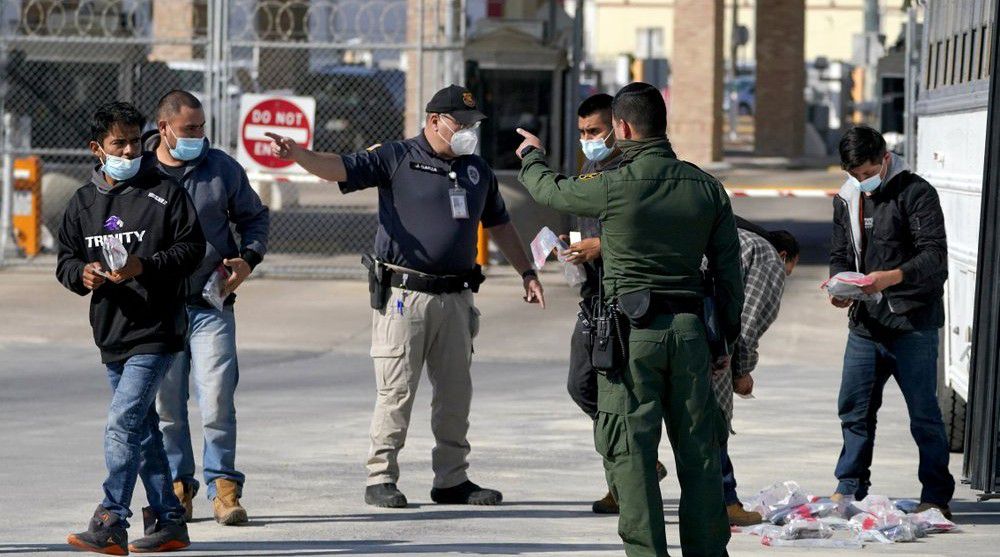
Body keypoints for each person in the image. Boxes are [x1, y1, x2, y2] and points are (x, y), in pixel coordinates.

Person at [266, 84, 545, 508]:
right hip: (404, 296)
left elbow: (501, 224)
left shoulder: (476, 171)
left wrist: (527, 271)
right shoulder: (395, 157)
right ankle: (381, 476)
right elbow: (339, 167)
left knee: (455, 393)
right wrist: (299, 154)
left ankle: (452, 479)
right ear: (434, 121)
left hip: (457, 297)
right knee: (396, 391)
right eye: (461, 122)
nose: (469, 130)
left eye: (474, 123)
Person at [516, 82, 743, 557]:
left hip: (630, 336)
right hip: (690, 332)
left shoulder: (613, 185)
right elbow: (728, 278)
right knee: (700, 454)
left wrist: (533, 155)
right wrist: (726, 344)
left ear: (621, 127)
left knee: (631, 455)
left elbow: (548, 189)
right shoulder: (707, 187)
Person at [56, 101, 205, 554]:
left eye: (135, 141)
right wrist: (81, 275)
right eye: (118, 143)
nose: (129, 150)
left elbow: (192, 249)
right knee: (141, 431)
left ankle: (111, 519)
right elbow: (65, 260)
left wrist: (145, 265)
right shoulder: (82, 203)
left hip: (156, 330)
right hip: (112, 332)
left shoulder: (165, 192)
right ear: (97, 149)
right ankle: (169, 519)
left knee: (122, 422)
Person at [145, 90, 270, 525]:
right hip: (157, 309)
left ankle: (224, 489)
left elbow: (255, 217)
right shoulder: (139, 172)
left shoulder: (221, 168)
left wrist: (248, 260)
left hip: (210, 304)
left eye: (202, 127)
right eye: (189, 129)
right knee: (167, 407)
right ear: (164, 129)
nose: (199, 136)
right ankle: (179, 488)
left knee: (216, 398)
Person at [828, 125, 954, 517]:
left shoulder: (916, 193)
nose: (861, 181)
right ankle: (849, 486)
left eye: (867, 173)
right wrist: (840, 284)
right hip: (866, 323)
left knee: (924, 415)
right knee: (854, 408)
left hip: (912, 323)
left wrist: (890, 277)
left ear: (884, 158)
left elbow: (935, 258)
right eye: (854, 174)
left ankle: (935, 495)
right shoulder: (847, 198)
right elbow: (841, 253)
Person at [561, 93, 669, 515]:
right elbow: (578, 223)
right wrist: (570, 250)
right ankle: (629, 469)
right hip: (595, 298)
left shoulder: (635, 171)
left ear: (619, 127)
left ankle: (626, 482)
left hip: (631, 300)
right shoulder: (590, 170)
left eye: (595, 131)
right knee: (583, 385)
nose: (588, 140)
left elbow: (648, 234)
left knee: (622, 393)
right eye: (583, 133)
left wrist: (600, 247)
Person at [717, 223, 799, 526]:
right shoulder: (765, 255)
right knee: (713, 425)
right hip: (706, 347)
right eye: (789, 268)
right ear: (784, 255)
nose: (785, 276)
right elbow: (748, 321)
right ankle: (725, 502)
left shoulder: (710, 231)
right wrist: (742, 370)